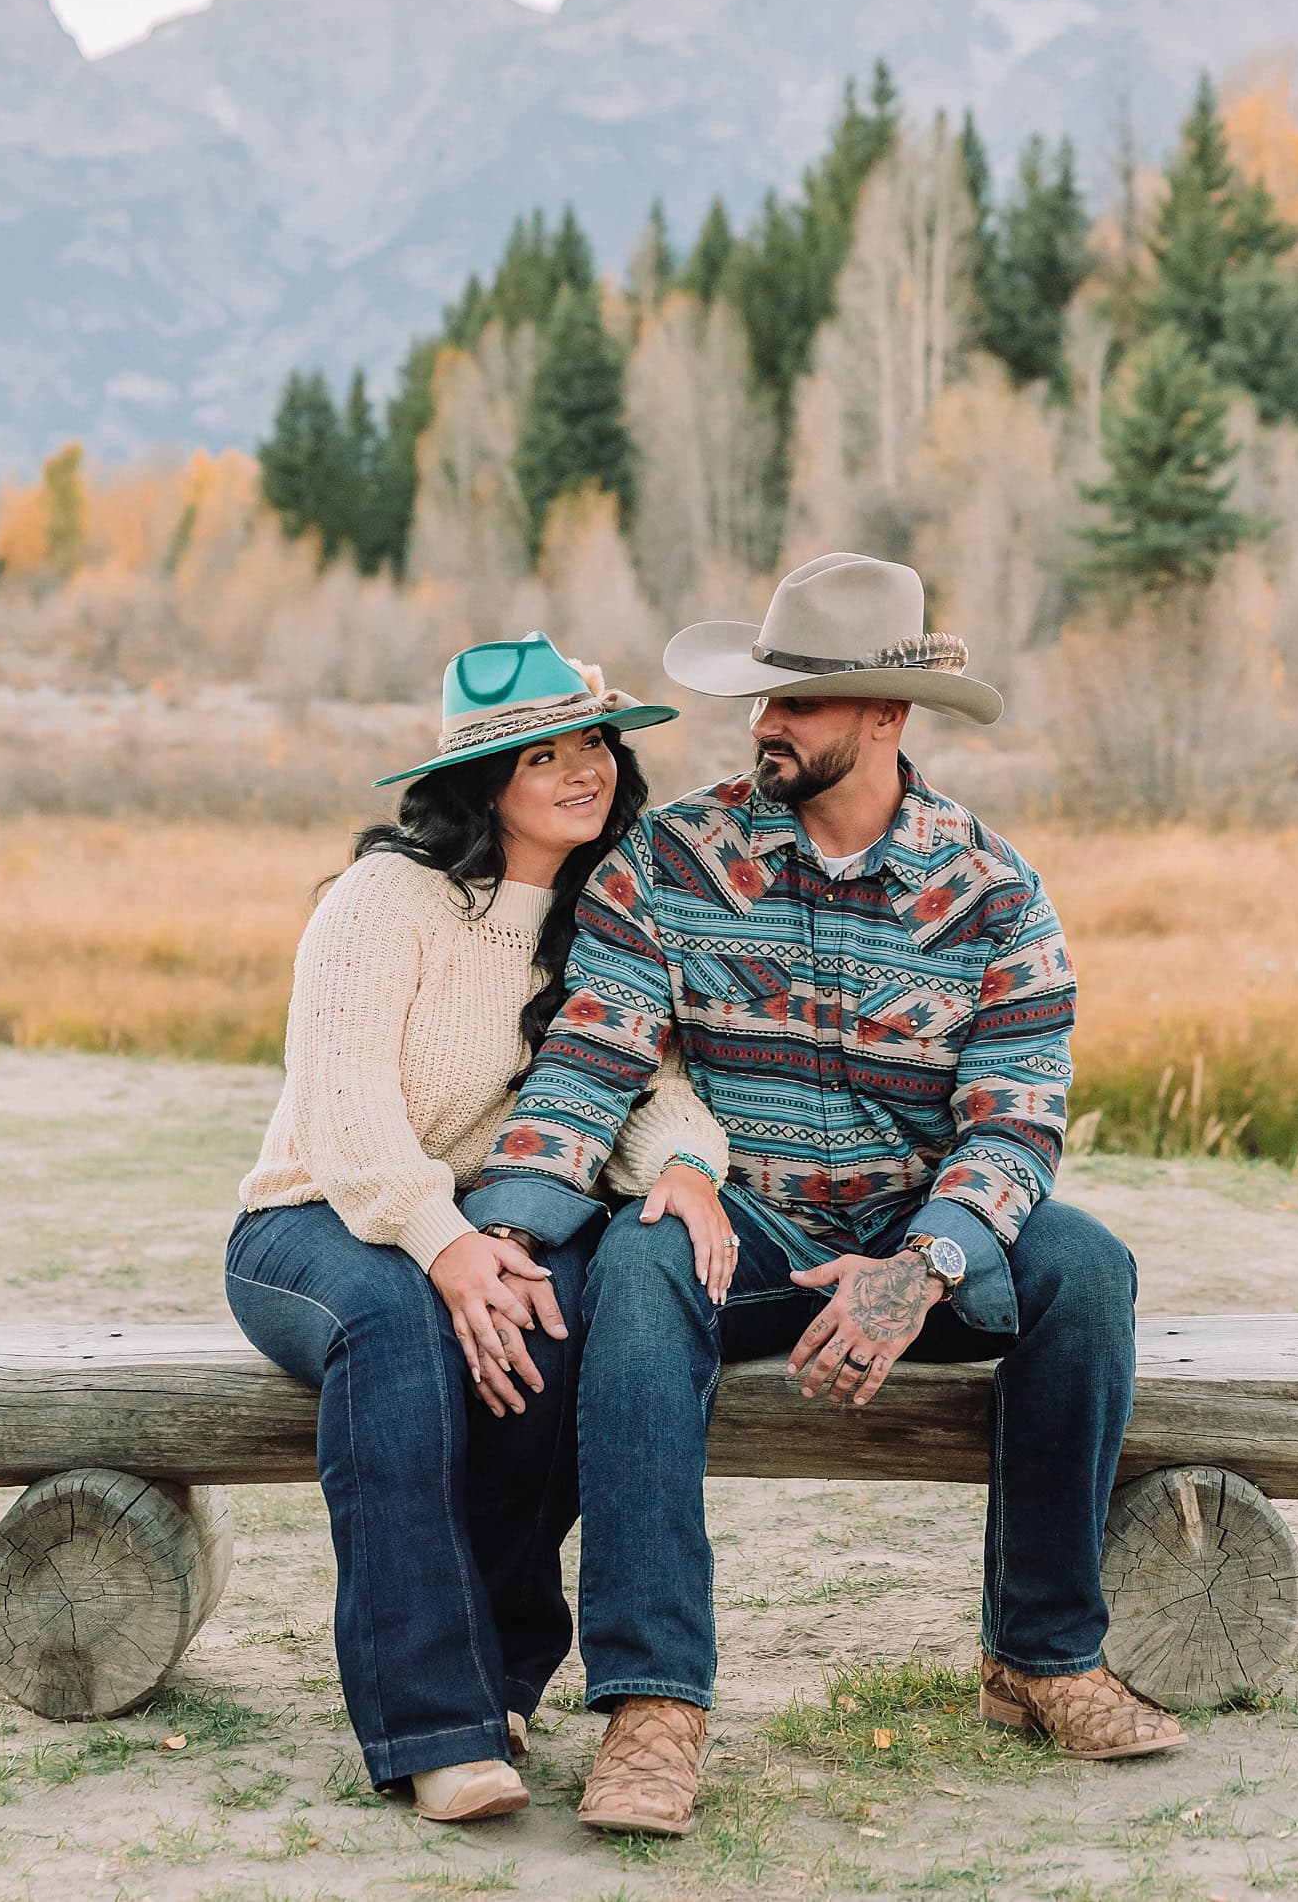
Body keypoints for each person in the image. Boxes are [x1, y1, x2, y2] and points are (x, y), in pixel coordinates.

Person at [466, 555, 1186, 1839]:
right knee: (641, 1262)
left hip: (920, 1226)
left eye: (798, 704)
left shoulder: (993, 893)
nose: (765, 725)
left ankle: (1042, 1655)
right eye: (763, 699)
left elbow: (1018, 1118)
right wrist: (513, 1224)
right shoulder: (670, 860)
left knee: (1086, 1270)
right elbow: (592, 1060)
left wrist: (924, 1266)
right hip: (750, 1221)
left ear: (884, 718)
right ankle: (653, 1705)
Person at [225, 632, 732, 1822]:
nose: (581, 771)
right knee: (403, 1332)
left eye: (593, 745)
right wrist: (445, 1245)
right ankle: (430, 1727)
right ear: (481, 780)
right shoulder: (381, 901)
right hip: (320, 1221)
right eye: (540, 753)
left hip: (486, 1224)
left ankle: (500, 1678)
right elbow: (344, 1116)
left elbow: (641, 1093)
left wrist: (691, 1169)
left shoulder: (609, 917)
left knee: (557, 1320)